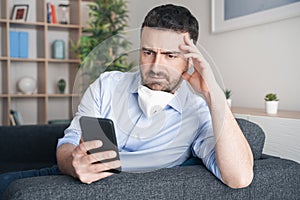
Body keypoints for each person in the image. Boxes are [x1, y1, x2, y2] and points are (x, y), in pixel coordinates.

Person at [0, 4, 253, 198]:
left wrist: (213, 94)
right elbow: (68, 143)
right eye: (148, 52)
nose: (155, 66)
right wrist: (73, 162)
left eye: (170, 55)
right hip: (70, 181)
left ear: (189, 60)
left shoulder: (197, 111)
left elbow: (239, 177)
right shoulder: (107, 85)